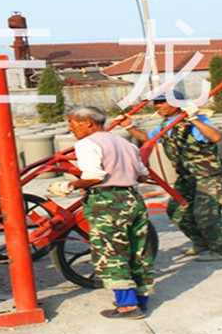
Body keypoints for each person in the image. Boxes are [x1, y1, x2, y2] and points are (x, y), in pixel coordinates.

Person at [47, 106, 154, 319]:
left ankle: (127, 306)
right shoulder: (126, 143)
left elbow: (95, 176)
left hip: (107, 202)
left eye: (73, 123)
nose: (71, 128)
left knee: (112, 251)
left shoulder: (87, 144)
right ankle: (141, 298)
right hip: (133, 199)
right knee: (138, 249)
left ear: (87, 122)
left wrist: (71, 185)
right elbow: (143, 175)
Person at [119, 91, 222, 262]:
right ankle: (201, 242)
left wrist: (193, 119)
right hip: (186, 175)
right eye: (155, 103)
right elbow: (148, 139)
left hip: (206, 174)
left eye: (162, 103)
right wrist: (129, 127)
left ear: (177, 103)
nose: (157, 107)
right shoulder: (166, 124)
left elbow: (216, 137)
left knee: (205, 214)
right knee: (175, 210)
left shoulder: (194, 121)